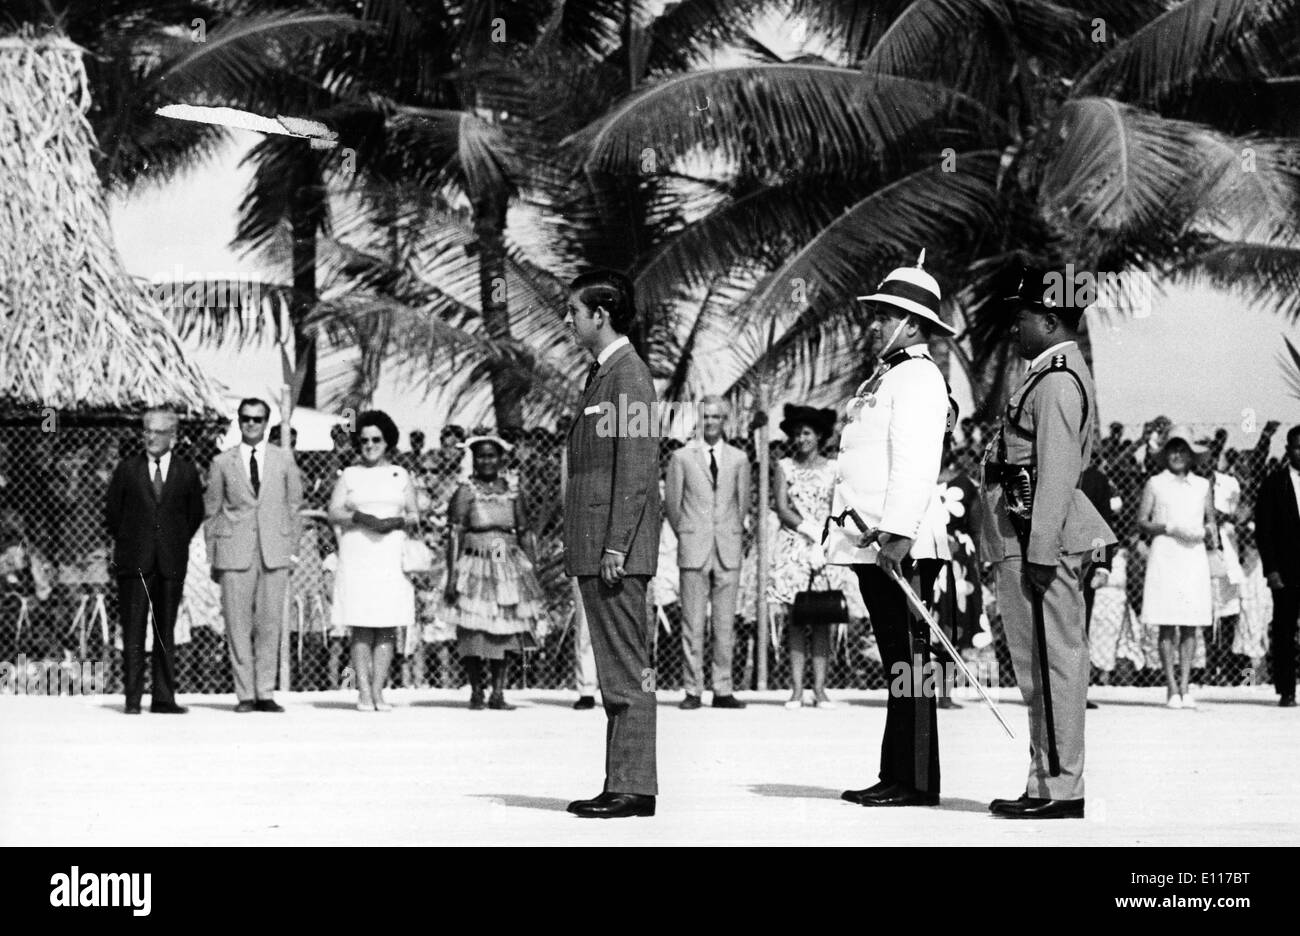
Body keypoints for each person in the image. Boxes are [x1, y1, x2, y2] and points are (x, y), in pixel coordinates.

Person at [976, 263, 1116, 819]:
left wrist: (1039, 553)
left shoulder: (1056, 380)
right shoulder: (1047, 374)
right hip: (1026, 535)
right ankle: (1043, 780)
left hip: (1041, 542)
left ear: (1050, 319)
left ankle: (1061, 788)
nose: (1014, 327)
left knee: (1056, 663)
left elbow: (1056, 472)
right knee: (1036, 666)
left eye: (1022, 316)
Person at [825, 253, 953, 808]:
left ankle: (918, 779)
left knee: (913, 666)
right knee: (899, 663)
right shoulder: (890, 375)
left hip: (904, 545)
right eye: (874, 313)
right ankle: (897, 771)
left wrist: (898, 534)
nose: (872, 323)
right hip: (875, 543)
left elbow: (917, 461)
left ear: (914, 324)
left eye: (884, 314)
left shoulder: (921, 376)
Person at [561, 269, 661, 819]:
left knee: (628, 670)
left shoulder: (630, 377)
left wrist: (617, 545)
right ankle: (623, 780)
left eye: (574, 311)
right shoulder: (604, 375)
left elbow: (639, 468)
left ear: (601, 314)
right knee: (617, 671)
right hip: (600, 546)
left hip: (614, 550)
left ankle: (634, 786)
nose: (569, 321)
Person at [205, 397, 304, 713]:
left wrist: (293, 551)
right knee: (237, 624)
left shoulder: (283, 459)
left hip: (274, 552)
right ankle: (245, 693)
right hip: (235, 553)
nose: (251, 424)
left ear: (266, 423)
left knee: (270, 623)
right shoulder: (223, 462)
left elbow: (294, 506)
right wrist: (214, 556)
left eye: (257, 419)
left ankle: (265, 691)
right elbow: (213, 511)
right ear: (239, 421)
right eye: (246, 419)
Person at [104, 407, 204, 714]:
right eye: (146, 430)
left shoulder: (186, 472)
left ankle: (163, 698)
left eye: (158, 432)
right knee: (133, 630)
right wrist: (134, 540)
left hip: (170, 560)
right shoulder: (127, 469)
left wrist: (172, 541)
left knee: (165, 630)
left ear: (172, 437)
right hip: (135, 559)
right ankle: (132, 700)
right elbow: (112, 514)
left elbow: (194, 514)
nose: (150, 437)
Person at [768, 404, 862, 709]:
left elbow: (840, 505)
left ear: (819, 435)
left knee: (823, 617)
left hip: (825, 548)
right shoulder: (784, 466)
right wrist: (806, 528)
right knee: (797, 617)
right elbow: (782, 507)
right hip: (795, 545)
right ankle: (796, 689)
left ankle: (820, 689)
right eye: (797, 434)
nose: (802, 439)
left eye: (807, 433)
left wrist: (825, 539)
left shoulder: (834, 468)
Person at [442, 435, 544, 710]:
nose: (486, 461)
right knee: (473, 628)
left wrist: (531, 571)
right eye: (481, 456)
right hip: (475, 563)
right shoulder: (466, 491)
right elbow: (455, 532)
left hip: (505, 564)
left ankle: (498, 692)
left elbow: (524, 531)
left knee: (504, 628)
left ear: (501, 459)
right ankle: (476, 690)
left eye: (491, 456)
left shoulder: (512, 492)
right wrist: (452, 576)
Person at [328, 411, 419, 711]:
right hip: (358, 556)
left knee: (387, 625)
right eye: (364, 440)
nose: (370, 445)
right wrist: (360, 517)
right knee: (361, 625)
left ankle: (379, 690)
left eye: (376, 439)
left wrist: (394, 521)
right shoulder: (350, 475)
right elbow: (333, 512)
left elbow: (414, 515)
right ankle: (363, 692)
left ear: (387, 441)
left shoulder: (400, 475)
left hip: (390, 556)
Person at [664, 396, 750, 710]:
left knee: (725, 624)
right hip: (694, 547)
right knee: (692, 622)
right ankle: (692, 689)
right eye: (706, 417)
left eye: (717, 417)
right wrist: (688, 533)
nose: (711, 422)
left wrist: (729, 532)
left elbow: (742, 504)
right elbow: (672, 505)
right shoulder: (682, 457)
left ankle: (723, 687)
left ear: (725, 420)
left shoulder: (739, 458)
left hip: (726, 547)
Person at [1136, 427, 1217, 708]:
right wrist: (1168, 527)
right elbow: (1142, 521)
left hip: (1193, 556)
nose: (1177, 455)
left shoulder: (1203, 485)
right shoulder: (1155, 483)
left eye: (1182, 450)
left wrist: (1205, 533)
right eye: (1172, 450)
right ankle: (1171, 687)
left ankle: (1185, 685)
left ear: (1192, 455)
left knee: (1190, 623)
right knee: (1167, 623)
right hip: (1165, 555)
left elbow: (1211, 521)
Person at [1255, 425, 1300, 706]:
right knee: (1284, 631)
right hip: (1286, 571)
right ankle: (1286, 689)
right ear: (1288, 450)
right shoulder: (1274, 484)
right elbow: (1264, 531)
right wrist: (1271, 570)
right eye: (1297, 447)